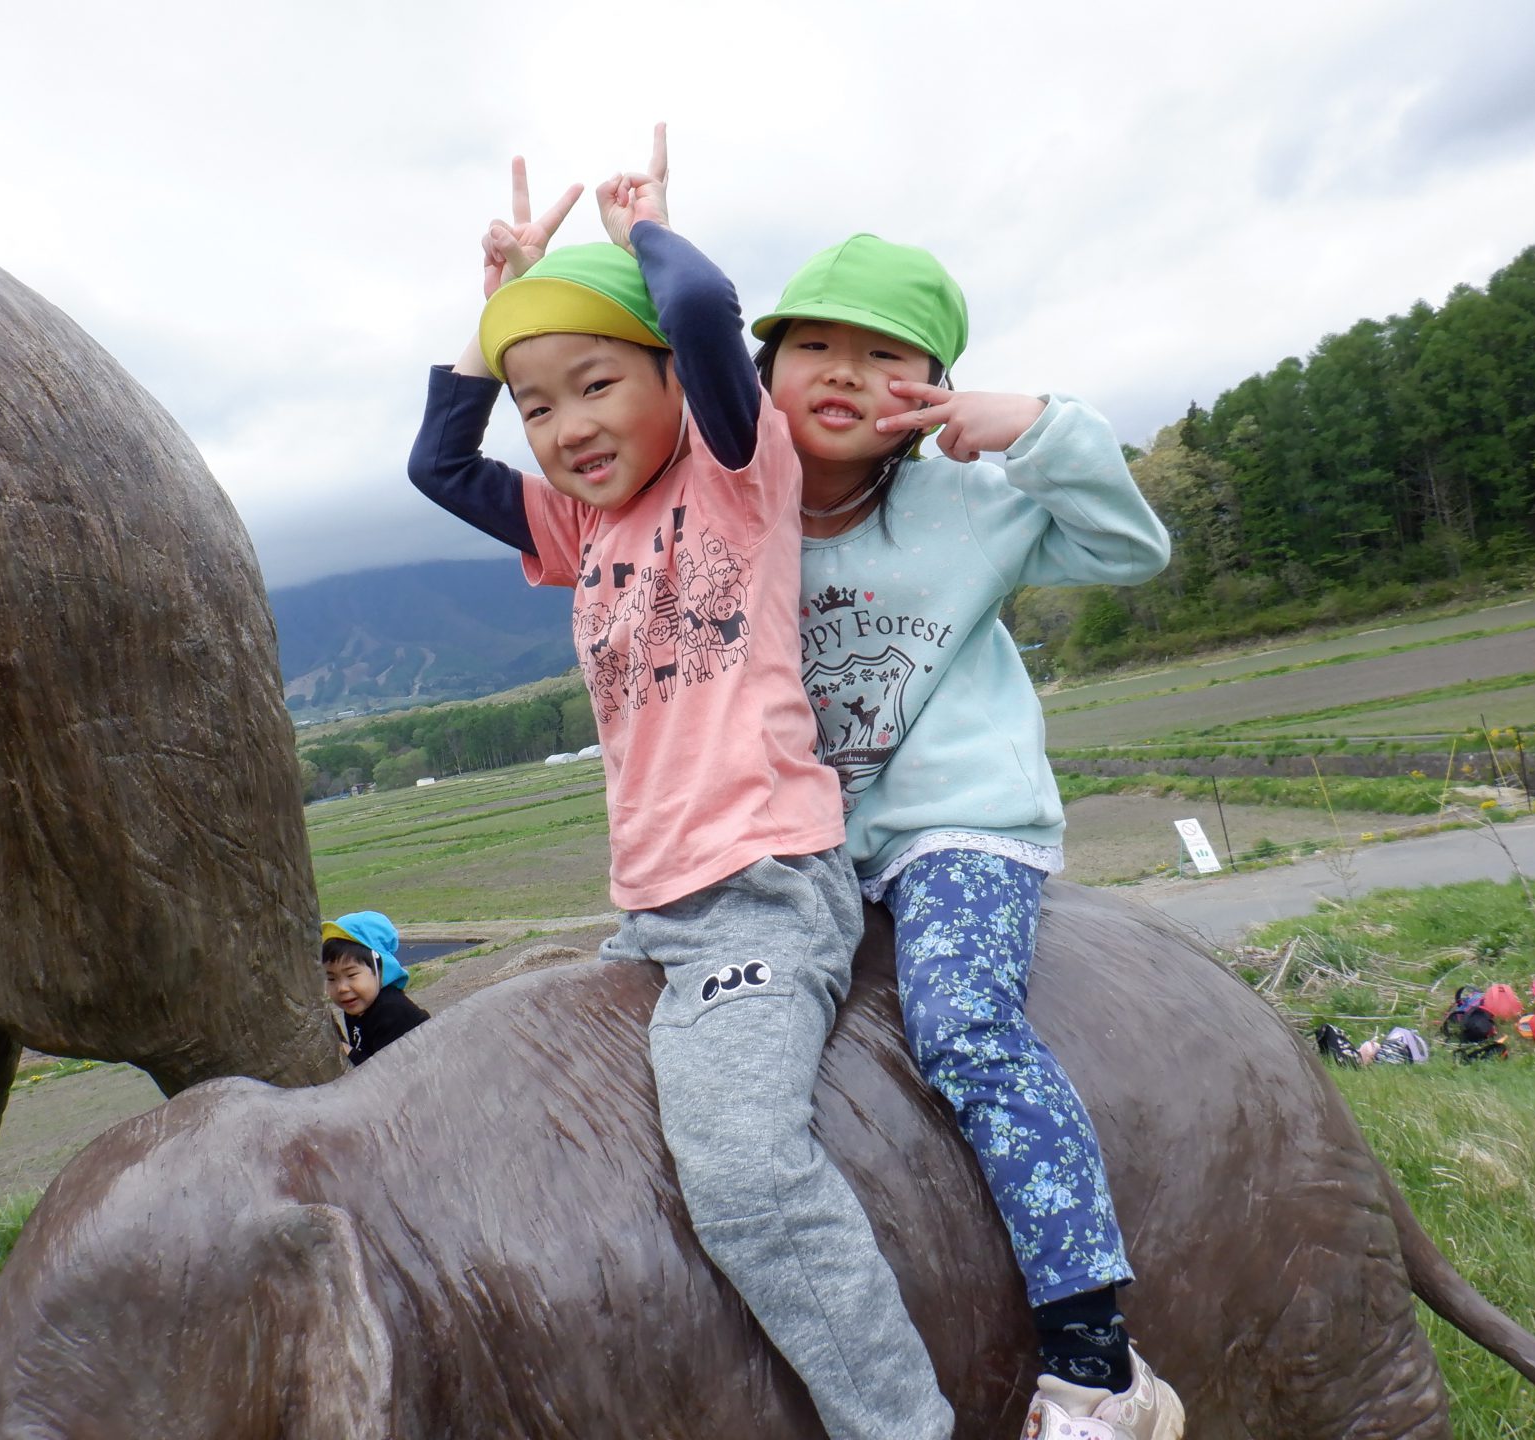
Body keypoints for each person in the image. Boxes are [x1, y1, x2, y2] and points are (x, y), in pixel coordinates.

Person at [407, 132, 952, 1440]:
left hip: (762, 888)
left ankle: (902, 1427)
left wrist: (646, 229)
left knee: (748, 1178)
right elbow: (438, 465)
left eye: (597, 384)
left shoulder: (736, 470)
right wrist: (499, 308)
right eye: (539, 409)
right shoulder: (581, 525)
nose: (567, 428)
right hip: (655, 909)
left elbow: (706, 312)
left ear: (672, 380)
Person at [754, 235, 1183, 1440]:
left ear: (933, 390)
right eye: (813, 345)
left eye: (885, 355)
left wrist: (1040, 427)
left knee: (961, 1023)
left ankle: (1098, 1361)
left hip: (960, 823)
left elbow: (1131, 549)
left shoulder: (970, 503)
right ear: (763, 373)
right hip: (816, 838)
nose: (845, 371)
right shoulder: (735, 515)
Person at [322, 911, 429, 1066]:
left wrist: (346, 1052)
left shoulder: (392, 1011)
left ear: (380, 968)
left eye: (351, 975)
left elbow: (388, 1072)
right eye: (331, 978)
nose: (342, 988)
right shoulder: (356, 1006)